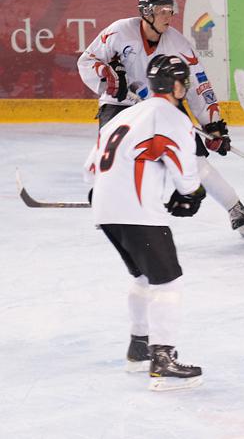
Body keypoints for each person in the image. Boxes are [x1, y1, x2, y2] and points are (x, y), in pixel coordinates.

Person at [77, 0, 244, 236]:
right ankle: (107, 207)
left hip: (162, 103)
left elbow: (198, 82)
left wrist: (212, 123)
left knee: (193, 160)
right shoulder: (119, 31)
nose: (168, 17)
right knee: (112, 154)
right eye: (162, 11)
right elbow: (87, 61)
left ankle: (234, 206)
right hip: (120, 105)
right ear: (147, 12)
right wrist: (109, 77)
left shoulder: (177, 43)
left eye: (171, 11)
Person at [84, 55, 207, 391]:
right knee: (168, 283)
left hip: (106, 211)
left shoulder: (123, 116)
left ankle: (139, 348)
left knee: (143, 277)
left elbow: (90, 167)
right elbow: (184, 170)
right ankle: (162, 361)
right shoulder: (170, 116)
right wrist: (192, 193)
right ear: (178, 85)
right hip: (136, 211)